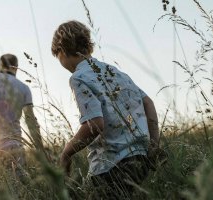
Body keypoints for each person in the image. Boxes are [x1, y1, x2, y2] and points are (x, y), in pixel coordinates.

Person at [51, 20, 160, 199]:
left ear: (61, 51)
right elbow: (148, 102)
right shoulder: (115, 72)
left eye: (58, 57)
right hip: (140, 158)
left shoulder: (78, 77)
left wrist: (66, 152)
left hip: (111, 165)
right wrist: (154, 144)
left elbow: (95, 124)